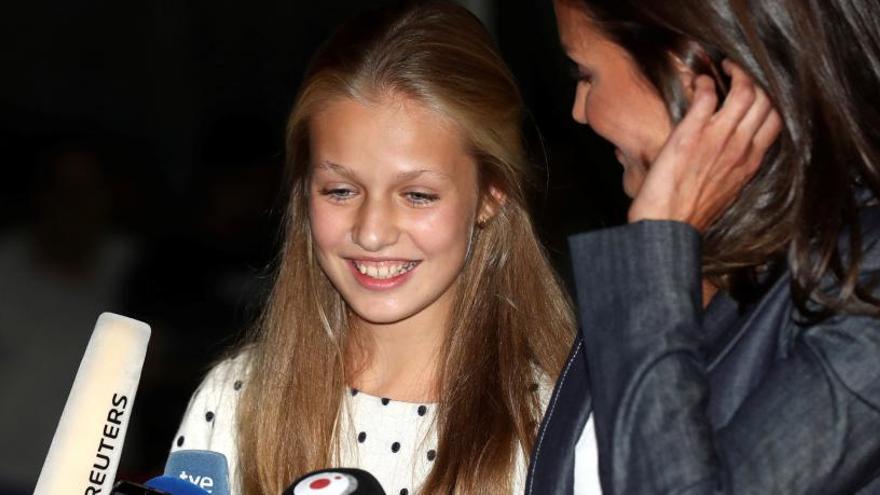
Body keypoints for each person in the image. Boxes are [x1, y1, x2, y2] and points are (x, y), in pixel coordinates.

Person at [169, 2, 577, 494]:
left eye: (417, 195)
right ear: (304, 191)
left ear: (491, 195)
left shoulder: (555, 426)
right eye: (341, 191)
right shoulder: (240, 399)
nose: (373, 232)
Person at [527, 0, 880, 493]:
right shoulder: (659, 254)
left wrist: (656, 242)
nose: (579, 111)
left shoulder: (864, 285)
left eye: (585, 75)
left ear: (687, 64)